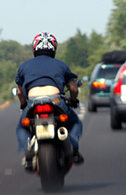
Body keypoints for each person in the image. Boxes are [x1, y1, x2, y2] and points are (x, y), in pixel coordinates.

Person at [15, 32, 84, 166]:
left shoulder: (24, 66)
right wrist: (73, 101)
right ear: (54, 48)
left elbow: (19, 92)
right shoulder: (61, 65)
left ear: (34, 48)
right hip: (56, 101)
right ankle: (74, 149)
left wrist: (23, 104)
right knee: (75, 122)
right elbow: (74, 89)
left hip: (33, 101)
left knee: (22, 126)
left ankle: (26, 148)